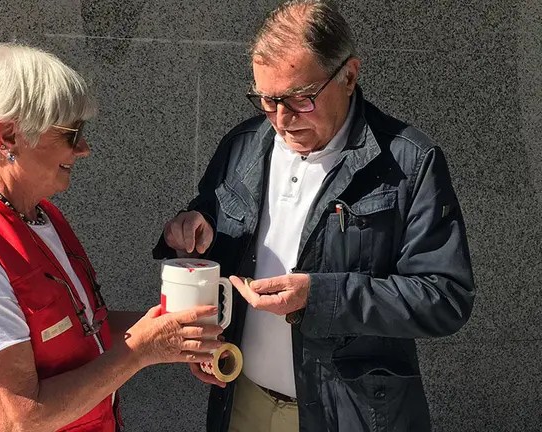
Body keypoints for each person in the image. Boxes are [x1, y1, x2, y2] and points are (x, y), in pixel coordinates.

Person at [154, 1, 476, 431]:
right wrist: (193, 228)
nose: (281, 120)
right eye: (267, 100)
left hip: (351, 415)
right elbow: (218, 235)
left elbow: (445, 297)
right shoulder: (243, 144)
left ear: (349, 76)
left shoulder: (409, 162)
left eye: (300, 99)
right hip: (242, 400)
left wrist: (319, 296)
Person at [0, 43, 224, 432]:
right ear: (7, 136)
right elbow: (21, 420)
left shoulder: (37, 217)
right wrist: (141, 351)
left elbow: (85, 328)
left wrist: (175, 334)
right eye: (70, 133)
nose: (84, 149)